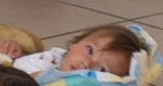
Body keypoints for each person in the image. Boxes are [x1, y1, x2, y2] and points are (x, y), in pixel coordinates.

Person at [11, 24, 145, 77]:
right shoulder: (54, 57)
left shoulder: (59, 85)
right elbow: (26, 64)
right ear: (74, 44)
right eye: (89, 50)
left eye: (102, 69)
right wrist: (15, 55)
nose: (86, 63)